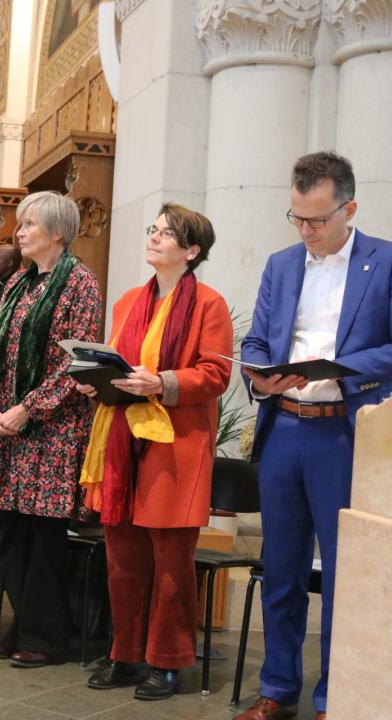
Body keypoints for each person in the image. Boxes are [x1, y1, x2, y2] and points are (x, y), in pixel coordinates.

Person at [235, 152, 392, 720]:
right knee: (282, 569)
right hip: (285, 432)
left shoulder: (386, 262)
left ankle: (335, 697)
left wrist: (340, 368)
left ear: (349, 208)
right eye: (297, 218)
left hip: (344, 436)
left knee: (346, 574)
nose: (306, 231)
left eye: (318, 220)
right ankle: (278, 689)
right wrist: (259, 369)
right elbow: (256, 339)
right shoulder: (282, 264)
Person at [78, 204, 232, 699]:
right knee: (122, 556)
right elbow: (119, 364)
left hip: (178, 443)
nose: (155, 238)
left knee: (170, 561)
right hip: (123, 438)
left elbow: (216, 374)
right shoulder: (127, 302)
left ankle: (167, 661)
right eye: (153, 230)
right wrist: (96, 381)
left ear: (192, 250)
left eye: (167, 233)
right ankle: (125, 655)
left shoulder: (209, 304)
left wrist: (161, 382)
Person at [0, 190, 102, 668]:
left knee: (44, 537)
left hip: (52, 429)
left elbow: (77, 360)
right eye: (20, 224)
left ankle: (44, 635)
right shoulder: (16, 285)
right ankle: (20, 623)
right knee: (12, 534)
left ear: (58, 233)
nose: (19, 232)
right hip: (5, 428)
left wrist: (28, 409)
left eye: (29, 225)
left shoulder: (80, 285)